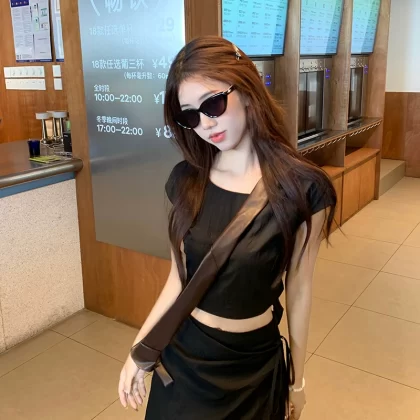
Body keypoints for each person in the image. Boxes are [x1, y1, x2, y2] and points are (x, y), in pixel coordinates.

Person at [118, 36, 336, 420]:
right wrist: (140, 350)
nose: (205, 124)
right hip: (185, 364)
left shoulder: (303, 189)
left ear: (247, 91)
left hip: (254, 368)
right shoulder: (185, 182)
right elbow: (179, 279)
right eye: (190, 115)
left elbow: (300, 289)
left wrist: (298, 381)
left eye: (213, 104)